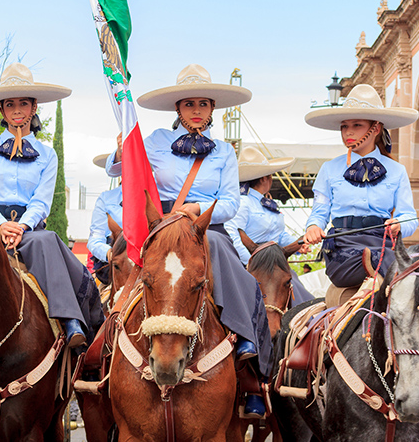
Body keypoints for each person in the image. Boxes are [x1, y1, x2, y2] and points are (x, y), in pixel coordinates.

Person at [106, 63, 271, 417]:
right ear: (178, 108)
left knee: (232, 263)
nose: (196, 110)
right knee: (125, 271)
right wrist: (120, 152)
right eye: (189, 104)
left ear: (212, 109)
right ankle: (103, 348)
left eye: (203, 104)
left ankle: (248, 352)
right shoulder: (154, 142)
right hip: (162, 228)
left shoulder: (225, 151)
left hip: (204, 228)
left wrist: (196, 208)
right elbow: (123, 170)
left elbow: (230, 201)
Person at [0, 63, 103, 348]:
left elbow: (42, 200)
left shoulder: (47, 155)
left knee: (47, 240)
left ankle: (71, 321)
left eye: (23, 103)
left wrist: (21, 226)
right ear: (1, 109)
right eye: (10, 104)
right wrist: (0, 225)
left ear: (34, 107)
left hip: (29, 230)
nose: (16, 110)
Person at [301, 84, 419, 305]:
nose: (348, 132)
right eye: (344, 126)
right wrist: (313, 227)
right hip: (342, 252)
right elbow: (318, 213)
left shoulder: (397, 171)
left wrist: (399, 224)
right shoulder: (329, 169)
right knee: (390, 261)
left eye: (357, 125)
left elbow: (409, 216)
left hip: (382, 245)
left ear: (376, 128)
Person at [224, 146, 313, 304]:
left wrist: (298, 245)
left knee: (299, 291)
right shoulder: (243, 202)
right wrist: (252, 262)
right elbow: (232, 234)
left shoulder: (266, 203)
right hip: (255, 266)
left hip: (273, 265)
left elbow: (279, 236)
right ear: (265, 178)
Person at [87, 154, 122, 284]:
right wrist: (110, 254)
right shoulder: (106, 199)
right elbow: (95, 239)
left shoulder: (154, 198)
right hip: (113, 267)